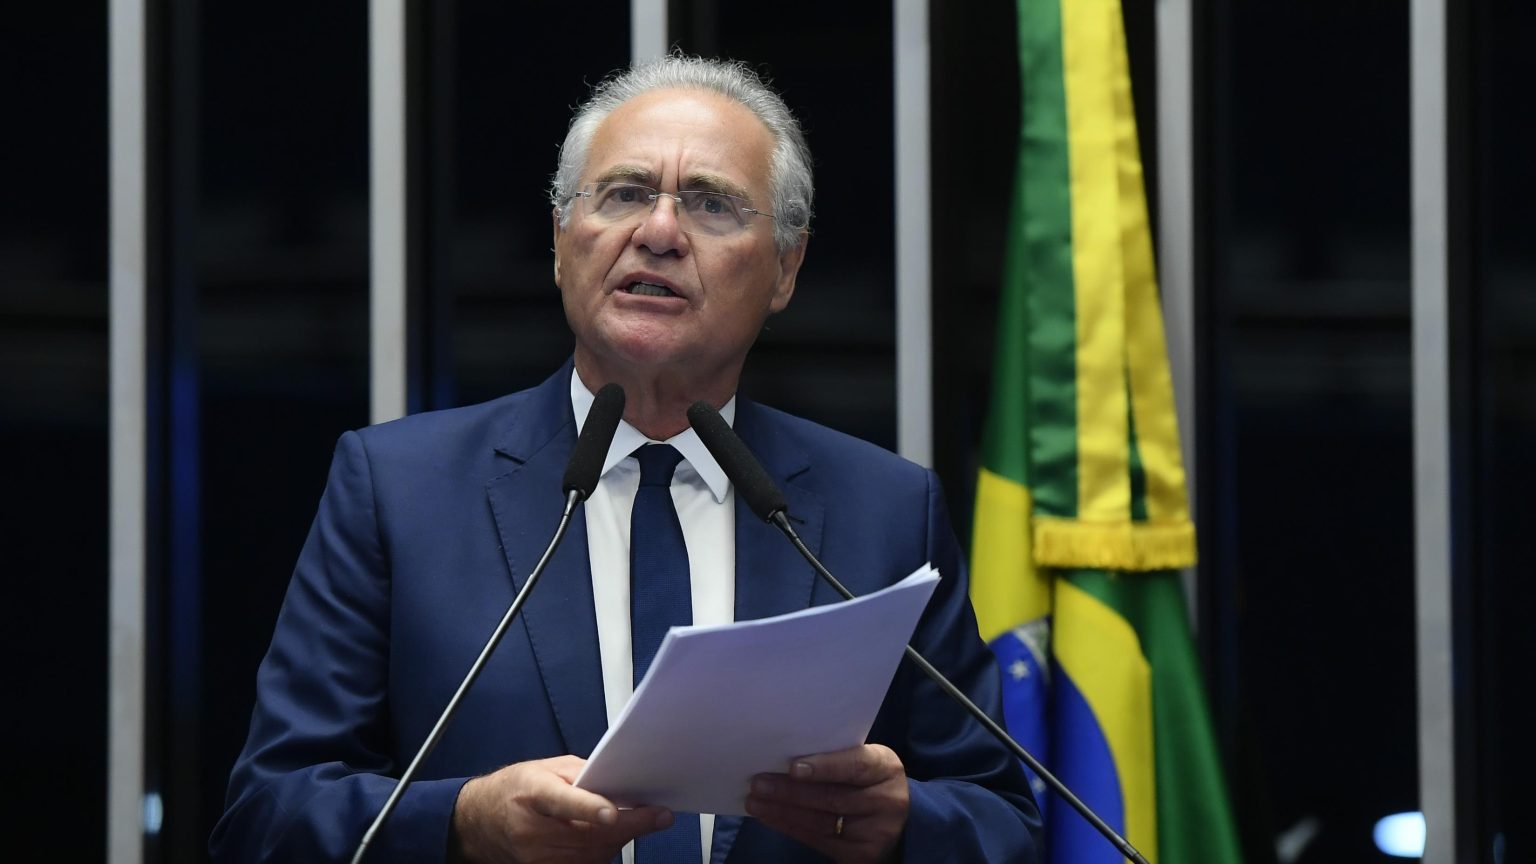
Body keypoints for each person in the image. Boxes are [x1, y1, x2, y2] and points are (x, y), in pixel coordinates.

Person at [212, 55, 1041, 864]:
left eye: (711, 204)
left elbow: (1005, 821)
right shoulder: (399, 490)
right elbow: (265, 817)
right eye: (624, 194)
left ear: (786, 268)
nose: (659, 232)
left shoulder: (886, 511)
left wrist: (903, 826)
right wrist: (462, 824)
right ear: (560, 240)